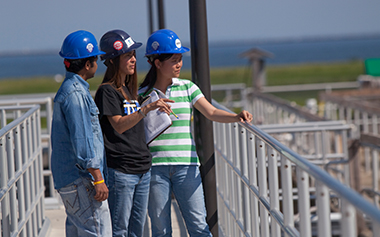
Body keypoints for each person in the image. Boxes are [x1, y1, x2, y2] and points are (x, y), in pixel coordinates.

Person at [139, 29, 253, 237]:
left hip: (187, 166)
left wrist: (236, 116)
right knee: (160, 231)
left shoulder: (188, 87)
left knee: (199, 227)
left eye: (180, 59)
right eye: (174, 60)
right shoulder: (142, 95)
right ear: (157, 63)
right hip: (155, 168)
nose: (179, 64)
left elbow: (211, 112)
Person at [94, 29, 174, 237]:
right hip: (121, 171)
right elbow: (119, 125)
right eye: (127, 56)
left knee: (137, 229)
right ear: (112, 60)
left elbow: (137, 125)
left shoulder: (130, 91)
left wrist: (154, 111)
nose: (133, 60)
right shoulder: (107, 91)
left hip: (142, 168)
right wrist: (146, 108)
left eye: (133, 55)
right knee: (120, 229)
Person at [51, 30, 112, 237]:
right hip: (82, 180)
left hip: (70, 180)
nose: (97, 64)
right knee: (97, 232)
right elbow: (82, 139)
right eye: (95, 59)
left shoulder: (68, 89)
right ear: (87, 64)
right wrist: (98, 179)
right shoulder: (76, 94)